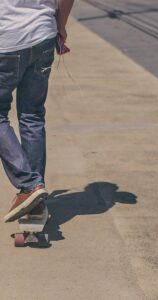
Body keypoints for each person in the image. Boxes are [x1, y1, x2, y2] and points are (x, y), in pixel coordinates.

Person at [0, 0, 74, 222]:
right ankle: (35, 199)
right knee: (32, 115)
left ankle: (29, 185)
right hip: (42, 36)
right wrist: (61, 26)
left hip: (6, 40)